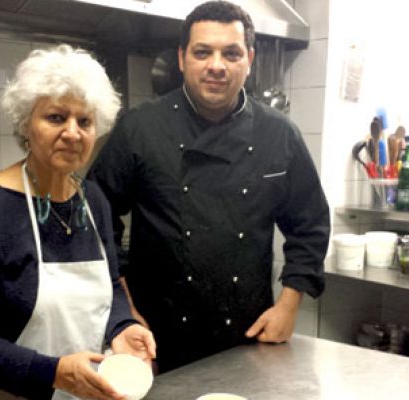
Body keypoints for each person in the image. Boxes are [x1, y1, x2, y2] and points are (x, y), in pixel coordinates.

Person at [88, 0, 330, 372]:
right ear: (183, 58)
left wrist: (289, 304)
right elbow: (95, 217)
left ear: (248, 59)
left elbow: (310, 224)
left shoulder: (279, 134)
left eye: (230, 53)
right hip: (154, 337)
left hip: (249, 334)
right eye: (203, 52)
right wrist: (123, 306)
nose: (216, 65)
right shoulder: (139, 128)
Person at [0, 44, 156, 400]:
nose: (73, 132)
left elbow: (109, 287)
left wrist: (122, 325)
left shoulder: (92, 199)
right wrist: (51, 372)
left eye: (85, 121)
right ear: (26, 124)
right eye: (56, 117)